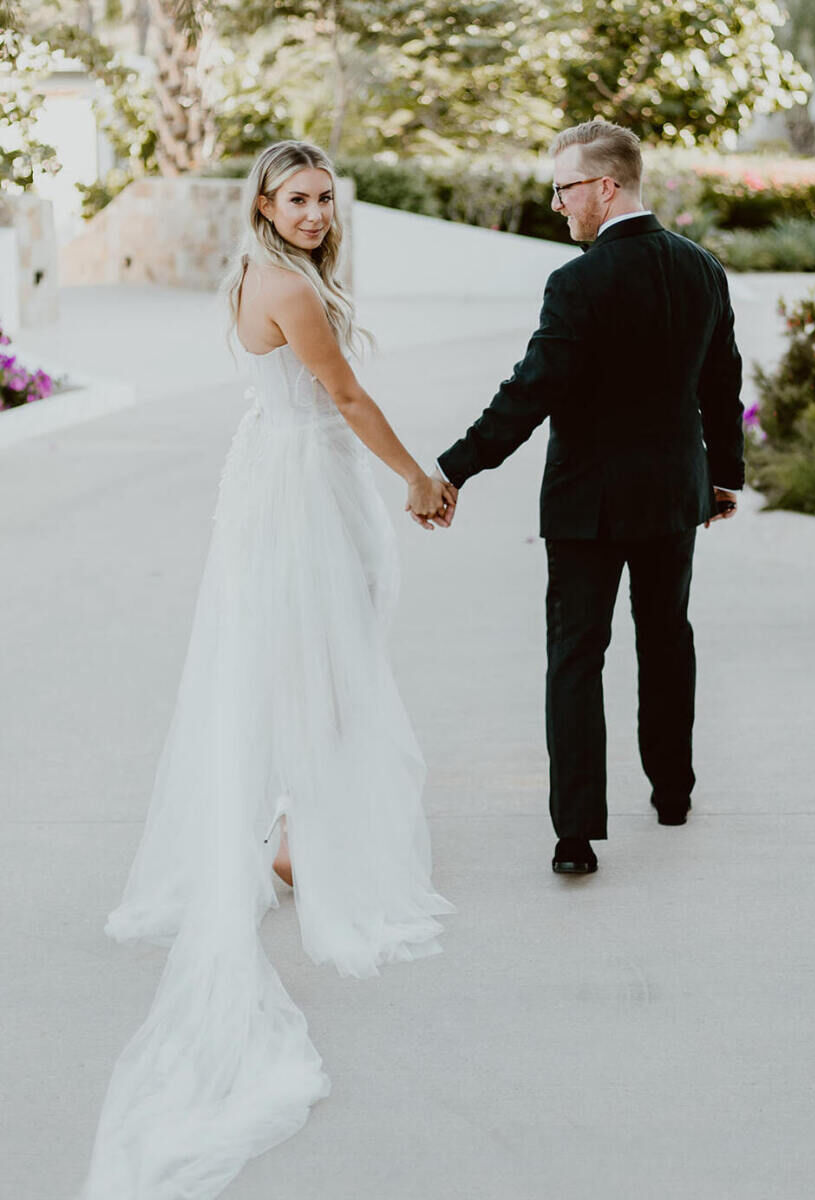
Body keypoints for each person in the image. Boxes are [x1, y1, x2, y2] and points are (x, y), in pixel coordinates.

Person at [75, 140, 454, 1200]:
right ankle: (301, 839)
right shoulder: (285, 283)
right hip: (299, 485)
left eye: (327, 199)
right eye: (298, 198)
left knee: (310, 657)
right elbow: (342, 396)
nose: (316, 213)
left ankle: (290, 833)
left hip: (280, 474)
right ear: (263, 202)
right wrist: (420, 476)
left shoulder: (264, 270)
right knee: (322, 662)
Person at [435, 120, 744, 877]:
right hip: (675, 495)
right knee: (667, 635)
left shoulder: (577, 283)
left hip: (588, 508)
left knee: (576, 655)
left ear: (607, 186)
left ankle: (576, 836)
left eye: (565, 188)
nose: (557, 205)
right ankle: (673, 793)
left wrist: (453, 469)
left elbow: (533, 391)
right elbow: (723, 385)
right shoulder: (702, 269)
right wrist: (724, 476)